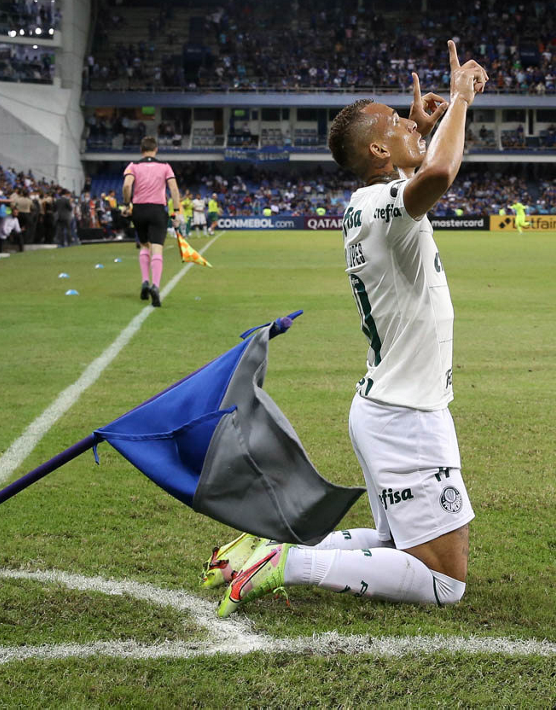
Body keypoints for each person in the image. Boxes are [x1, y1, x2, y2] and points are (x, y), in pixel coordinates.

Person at [213, 43, 485, 617]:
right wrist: (461, 98)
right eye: (399, 123)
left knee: (394, 542)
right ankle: (290, 564)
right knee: (444, 580)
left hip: (387, 406)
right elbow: (439, 172)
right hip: (407, 416)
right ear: (379, 150)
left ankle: (266, 549)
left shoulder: (368, 203)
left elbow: (416, 170)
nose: (412, 122)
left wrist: (418, 130)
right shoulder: (385, 205)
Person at [121, 136, 181, 307]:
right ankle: (155, 285)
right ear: (156, 150)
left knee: (144, 245)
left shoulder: (133, 165)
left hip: (139, 210)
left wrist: (127, 204)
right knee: (157, 248)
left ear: (141, 150)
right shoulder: (165, 166)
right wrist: (176, 211)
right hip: (157, 210)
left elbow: (127, 185)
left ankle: (145, 281)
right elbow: (174, 188)